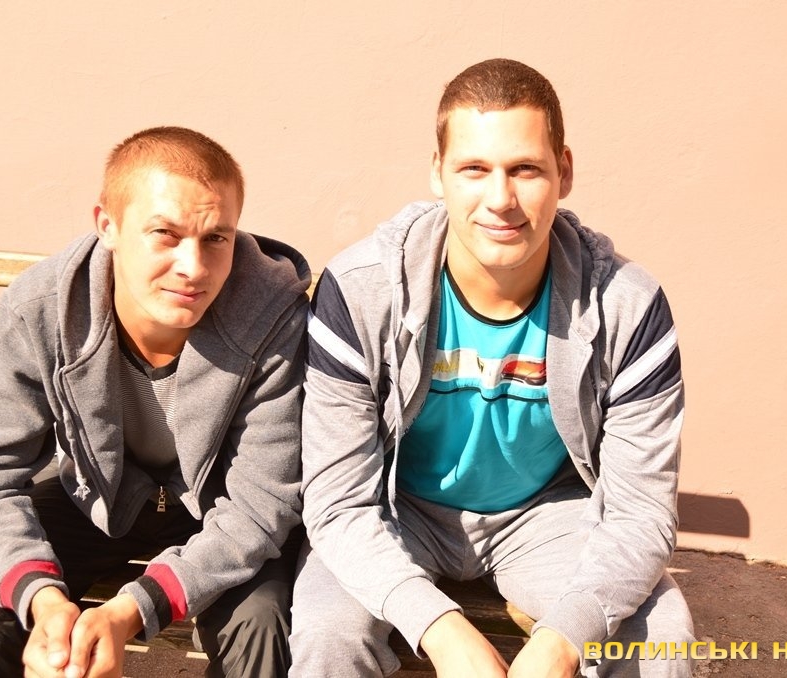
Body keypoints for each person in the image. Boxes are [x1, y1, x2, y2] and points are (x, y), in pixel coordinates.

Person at [291, 59, 693, 677]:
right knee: (328, 634)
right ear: (438, 172)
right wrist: (443, 632)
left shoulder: (627, 306)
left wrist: (563, 640)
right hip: (396, 511)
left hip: (545, 519)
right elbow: (338, 504)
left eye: (525, 169)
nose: (500, 200)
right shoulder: (362, 291)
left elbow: (641, 513)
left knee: (660, 641)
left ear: (564, 170)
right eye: (474, 169)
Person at [0, 126, 309, 678]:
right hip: (94, 498)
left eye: (215, 238)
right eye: (165, 234)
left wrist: (130, 612)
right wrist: (43, 601)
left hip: (219, 509)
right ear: (108, 226)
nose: (194, 267)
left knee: (265, 625)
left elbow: (261, 505)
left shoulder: (273, 317)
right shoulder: (42, 310)